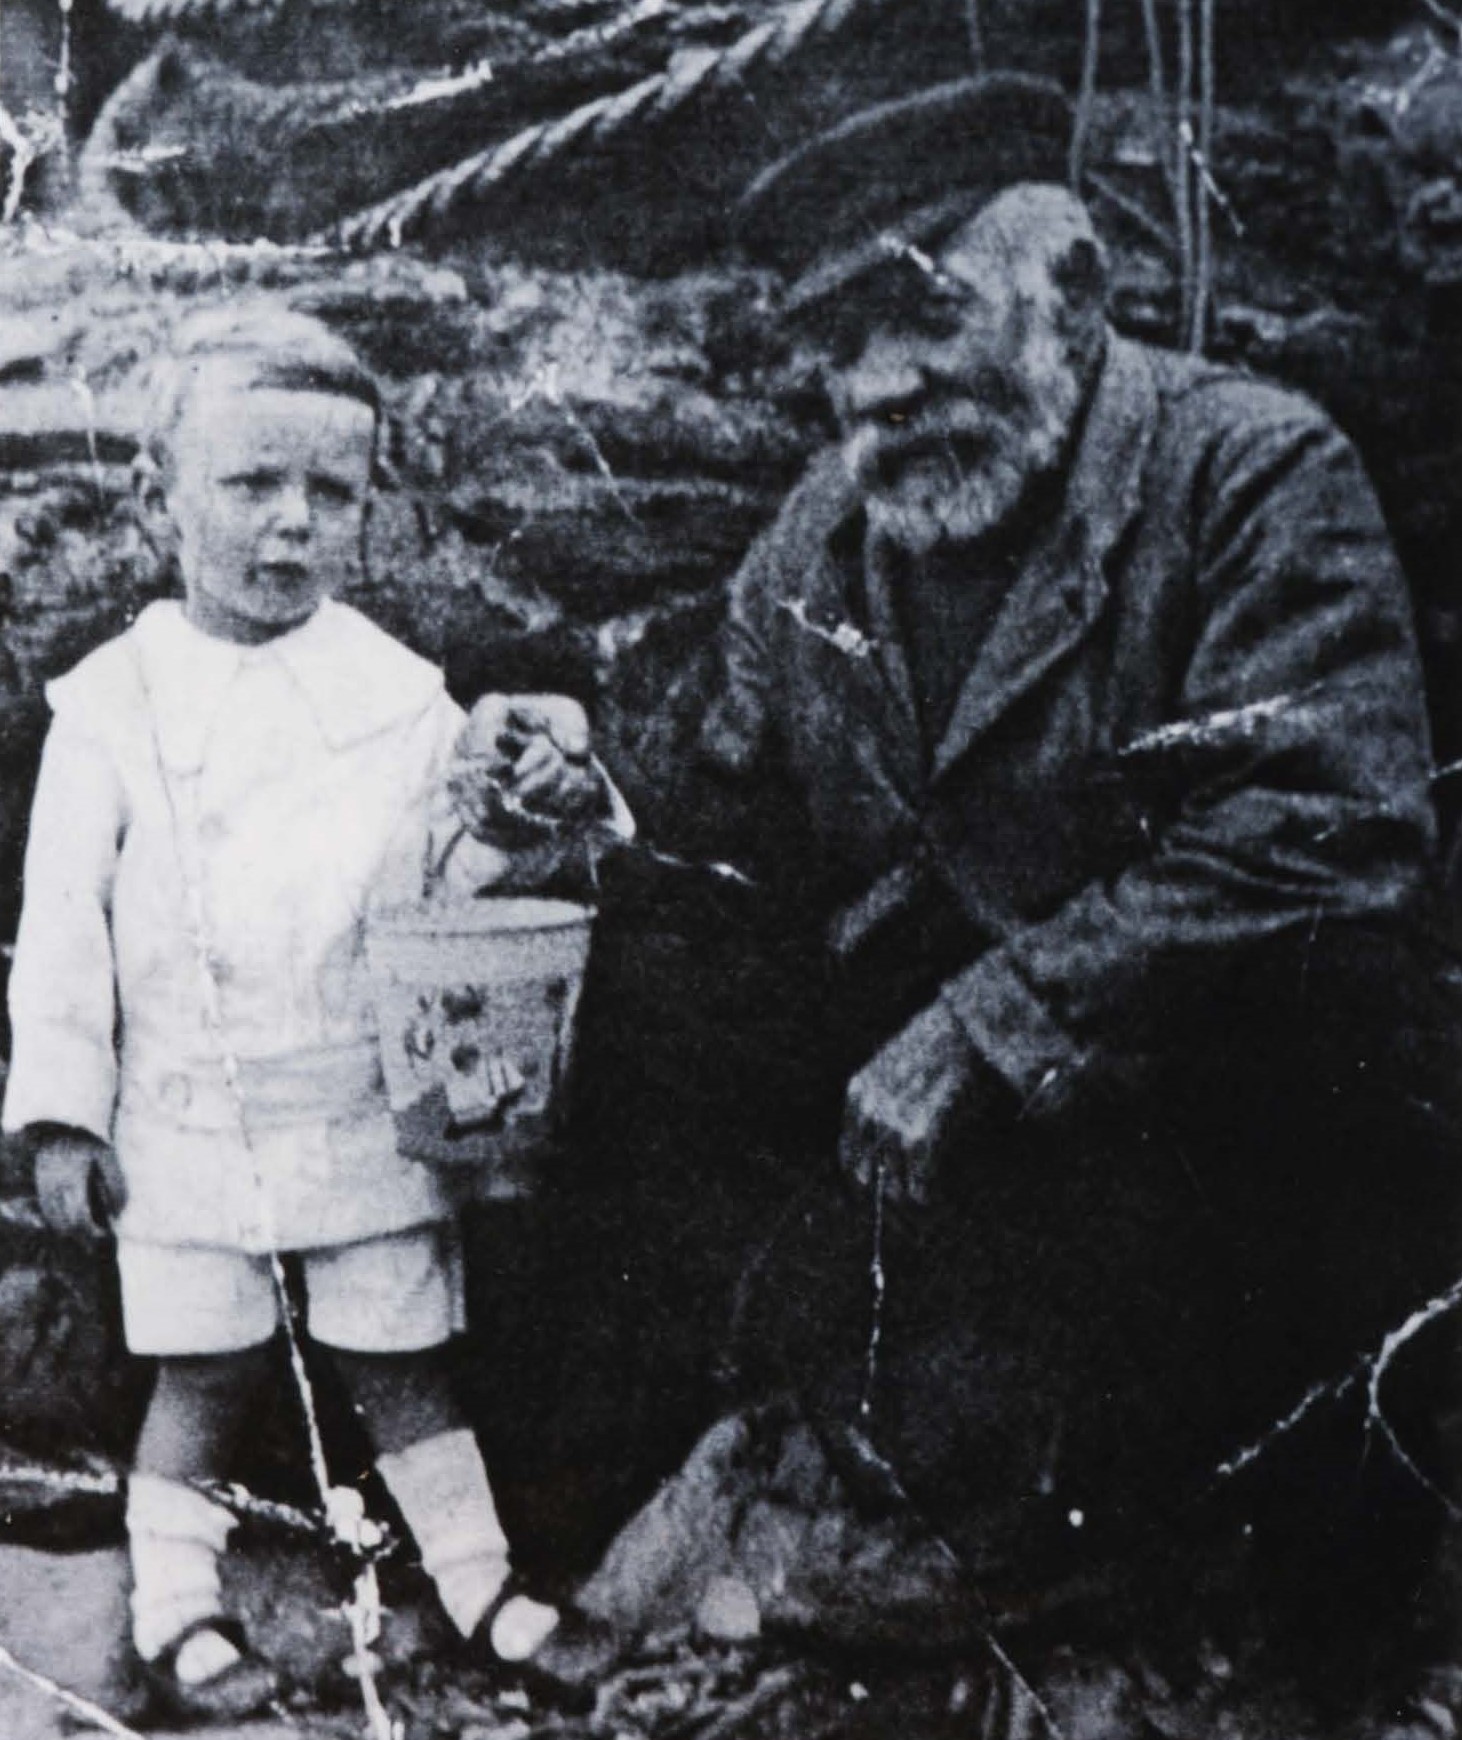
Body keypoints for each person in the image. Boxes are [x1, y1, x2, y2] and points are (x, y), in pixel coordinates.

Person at [667, 75, 1462, 1672]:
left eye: (923, 313)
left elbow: (1328, 824)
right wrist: (554, 790)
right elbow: (719, 807)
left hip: (1177, 1102)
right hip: (942, 1136)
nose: (877, 385)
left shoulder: (1249, 469)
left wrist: (988, 1023)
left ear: (1076, 296)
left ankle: (1305, 1636)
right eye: (841, 341)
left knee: (1345, 1024)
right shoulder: (823, 526)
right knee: (652, 965)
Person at [1, 304, 616, 1723]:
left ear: (367, 508)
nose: (289, 526)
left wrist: (520, 804)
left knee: (402, 1357)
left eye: (327, 492)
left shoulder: (395, 697)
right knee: (203, 1368)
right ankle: (176, 1609)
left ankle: (479, 1585)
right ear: (163, 491)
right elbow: (63, 938)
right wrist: (58, 1118)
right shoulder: (111, 709)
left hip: (358, 1103)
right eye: (250, 485)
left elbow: (443, 879)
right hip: (189, 1118)